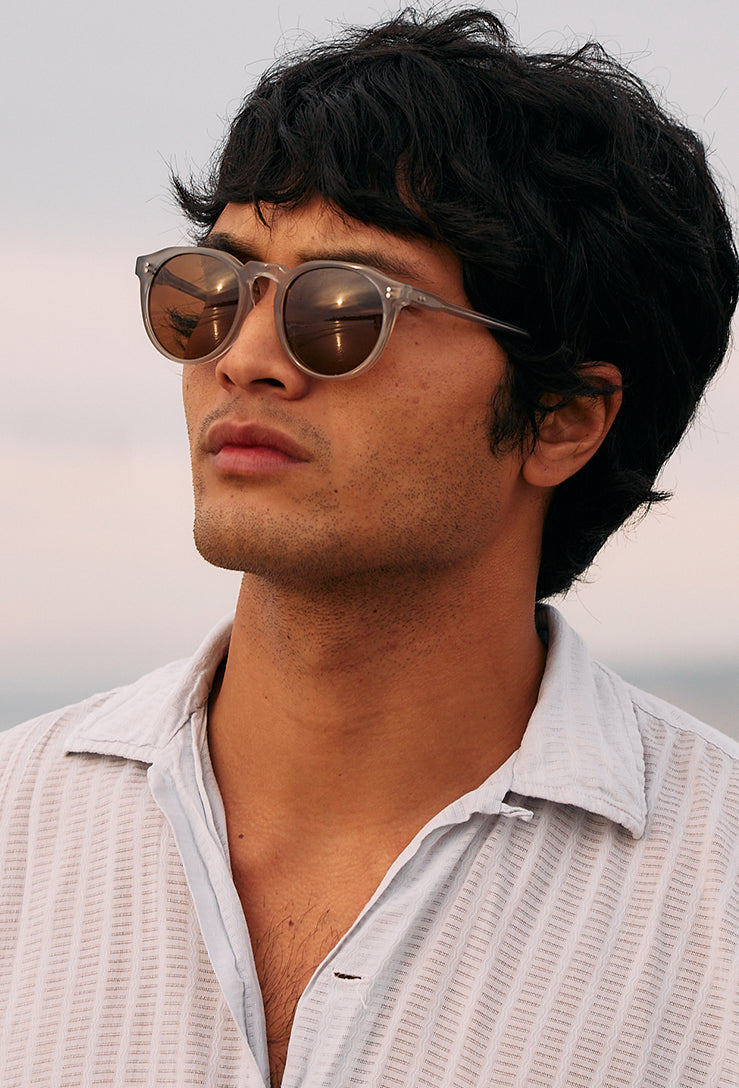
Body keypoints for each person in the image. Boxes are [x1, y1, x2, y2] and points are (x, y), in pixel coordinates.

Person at [1, 8, 737, 1087]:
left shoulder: (715, 898)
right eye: (211, 293)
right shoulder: (17, 829)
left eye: (343, 308)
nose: (245, 358)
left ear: (563, 418)